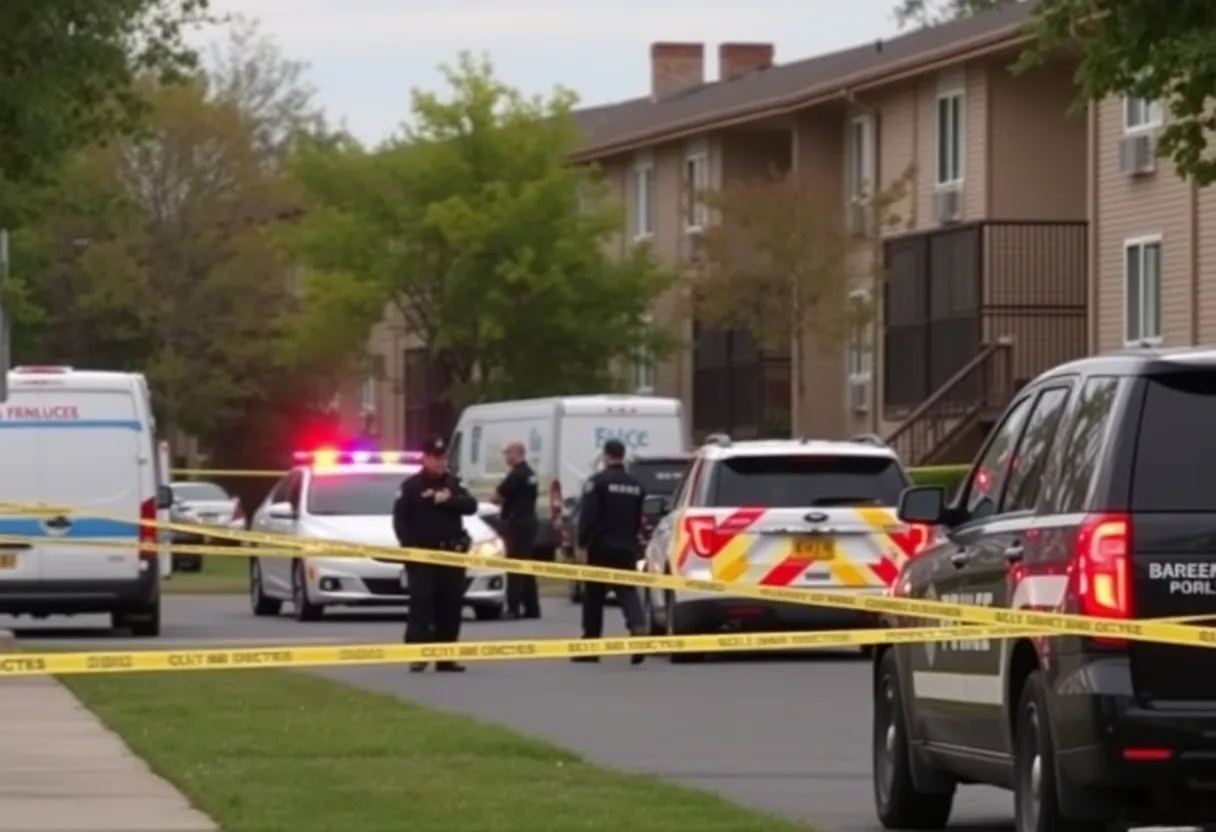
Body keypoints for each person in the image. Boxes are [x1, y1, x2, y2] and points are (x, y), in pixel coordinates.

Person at [392, 435, 478, 673]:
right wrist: (411, 548)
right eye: (435, 458)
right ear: (425, 458)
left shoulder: (453, 484)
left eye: (443, 458)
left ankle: (446, 656)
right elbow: (400, 521)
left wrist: (451, 500)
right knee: (422, 604)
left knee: (450, 605)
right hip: (423, 556)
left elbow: (471, 506)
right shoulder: (411, 487)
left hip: (451, 554)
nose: (440, 463)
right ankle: (418, 655)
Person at [573, 438, 647, 666]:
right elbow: (638, 520)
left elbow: (588, 516)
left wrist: (582, 544)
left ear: (605, 455)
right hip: (626, 546)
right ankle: (638, 628)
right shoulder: (636, 485)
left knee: (594, 596)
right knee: (627, 591)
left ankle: (591, 647)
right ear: (622, 455)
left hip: (601, 547)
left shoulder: (596, 482)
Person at [492, 441, 541, 620]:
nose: (506, 456)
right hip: (529, 522)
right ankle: (532, 607)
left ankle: (513, 608)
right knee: (526, 565)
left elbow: (496, 498)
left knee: (514, 566)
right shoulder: (530, 474)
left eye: (508, 453)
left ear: (518, 453)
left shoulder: (516, 475)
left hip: (516, 524)